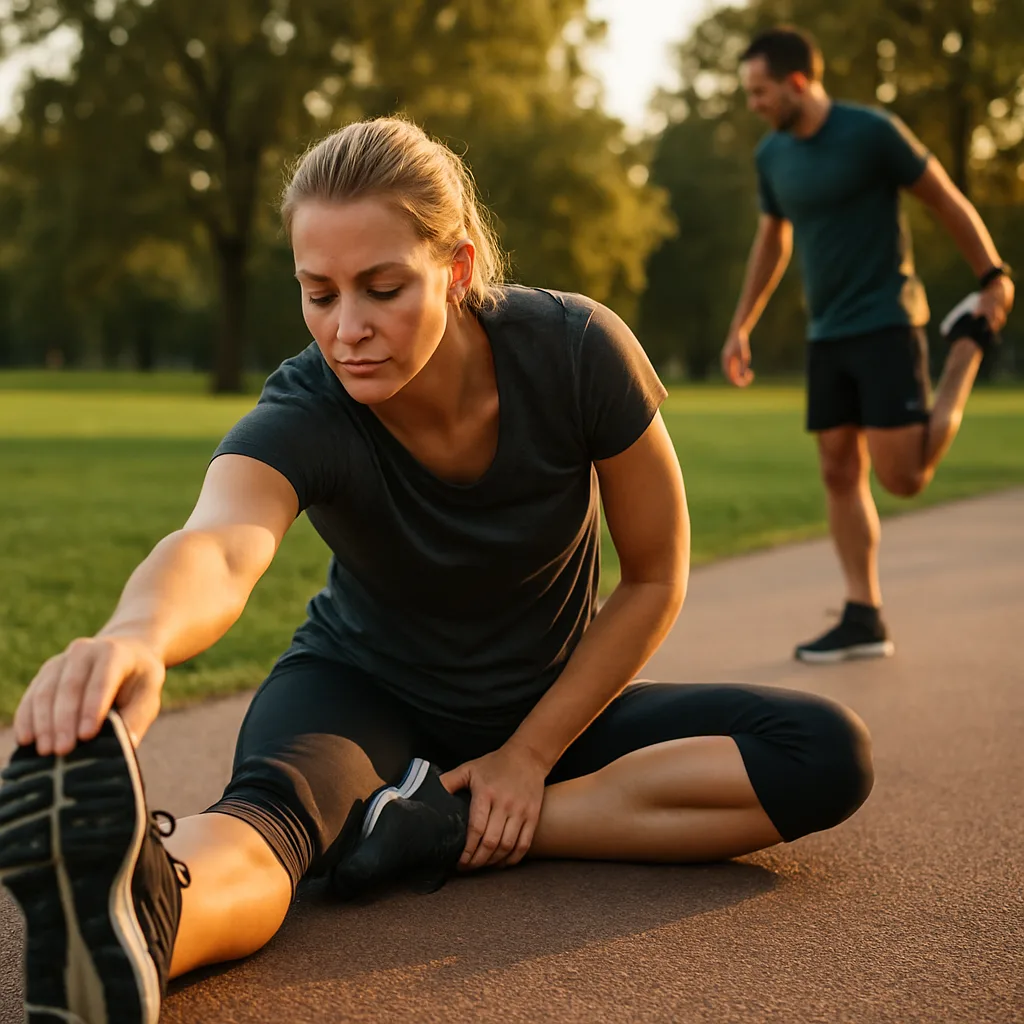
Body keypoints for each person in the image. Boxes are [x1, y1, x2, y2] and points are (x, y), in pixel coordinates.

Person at [0, 117, 874, 1024]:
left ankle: (434, 828)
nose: (347, 330)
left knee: (821, 754)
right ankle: (147, 925)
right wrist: (135, 638)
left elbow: (655, 574)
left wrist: (525, 759)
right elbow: (220, 541)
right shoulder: (309, 405)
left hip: (549, 708)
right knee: (272, 830)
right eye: (318, 293)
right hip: (362, 694)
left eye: (382, 289)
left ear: (456, 269)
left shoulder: (576, 350)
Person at [723, 26, 1015, 663]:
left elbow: (944, 198)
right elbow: (772, 241)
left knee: (904, 476)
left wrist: (993, 279)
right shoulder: (773, 157)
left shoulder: (871, 133)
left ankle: (967, 347)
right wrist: (742, 323)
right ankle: (864, 613)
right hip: (826, 330)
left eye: (761, 91)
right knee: (837, 469)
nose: (754, 104)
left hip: (887, 320)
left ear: (798, 82)